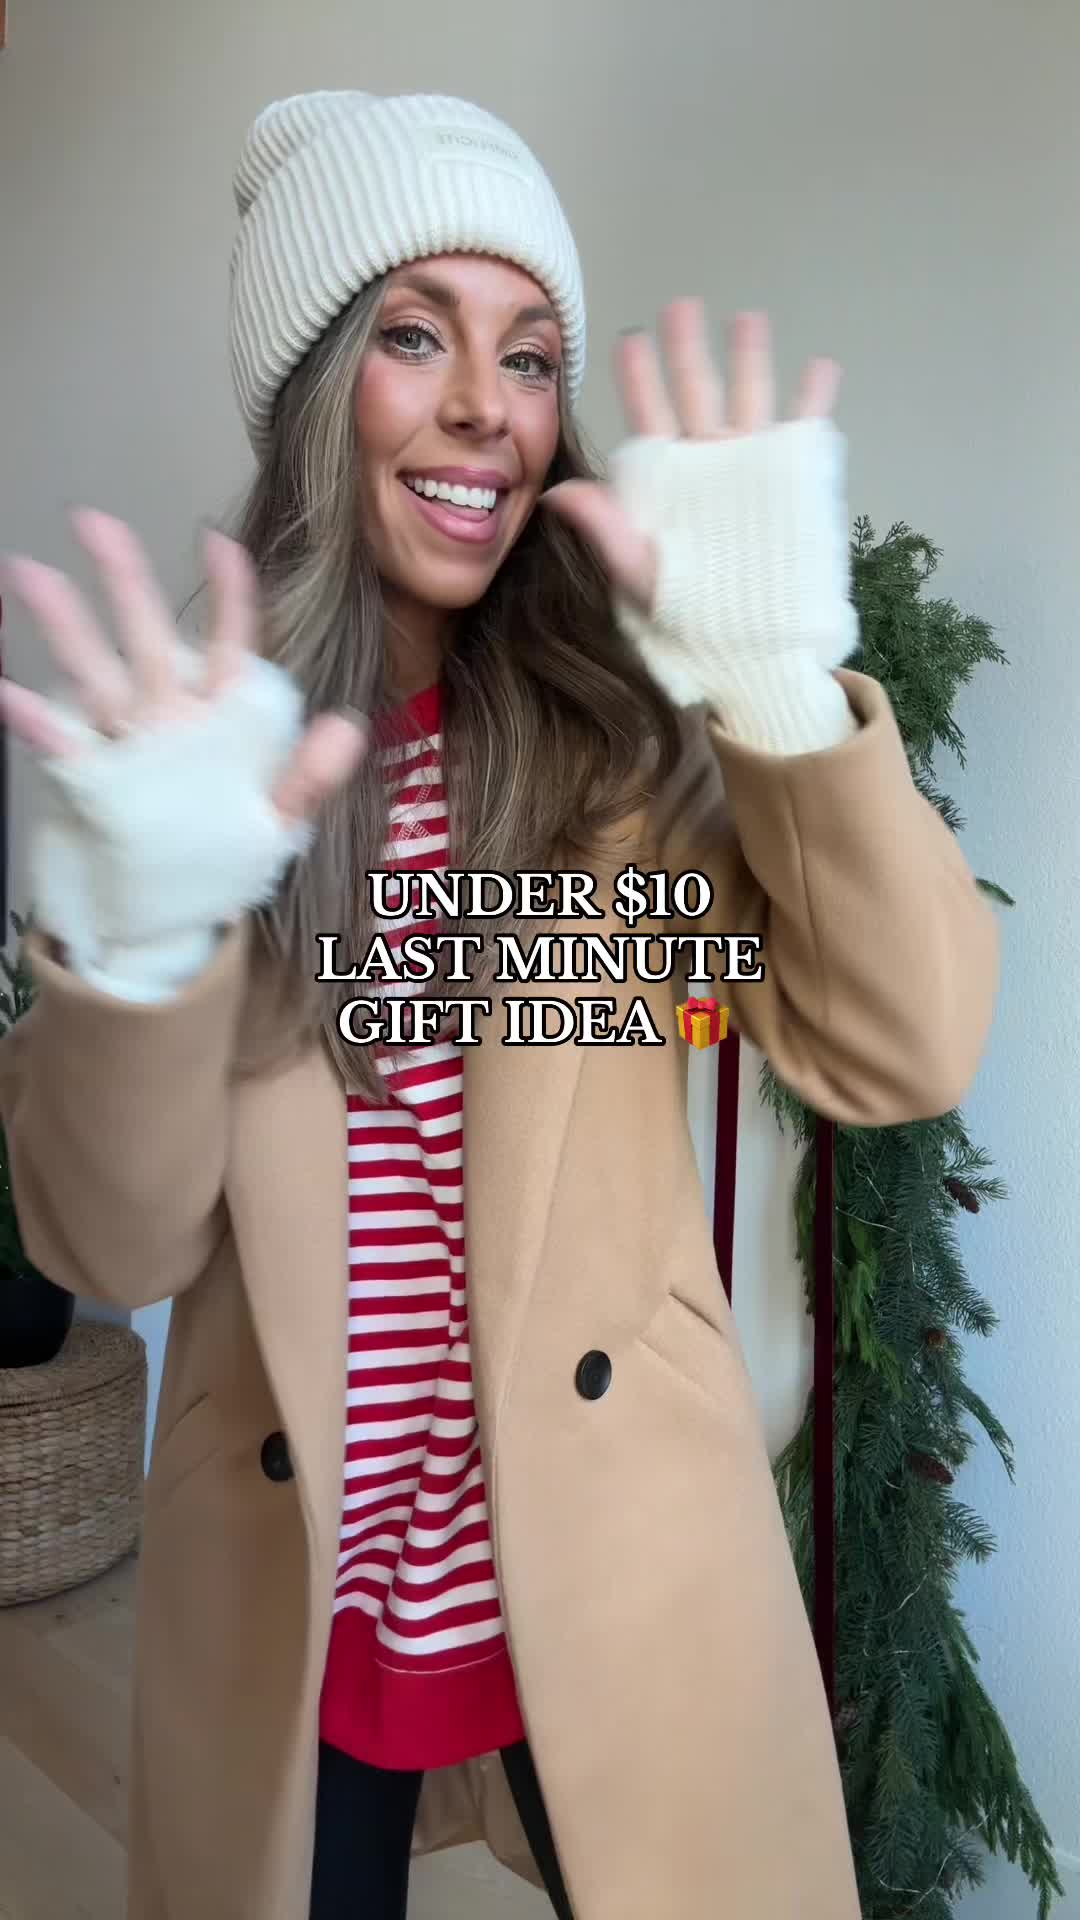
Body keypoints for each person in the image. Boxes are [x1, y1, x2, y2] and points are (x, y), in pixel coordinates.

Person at [0, 89, 998, 1920]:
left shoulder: (630, 743)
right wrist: (141, 954)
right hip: (299, 1601)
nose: (489, 408)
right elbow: (113, 1247)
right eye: (415, 336)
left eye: (531, 355)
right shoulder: (209, 766)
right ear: (316, 389)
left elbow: (905, 1040)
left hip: (619, 1578)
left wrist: (784, 690)